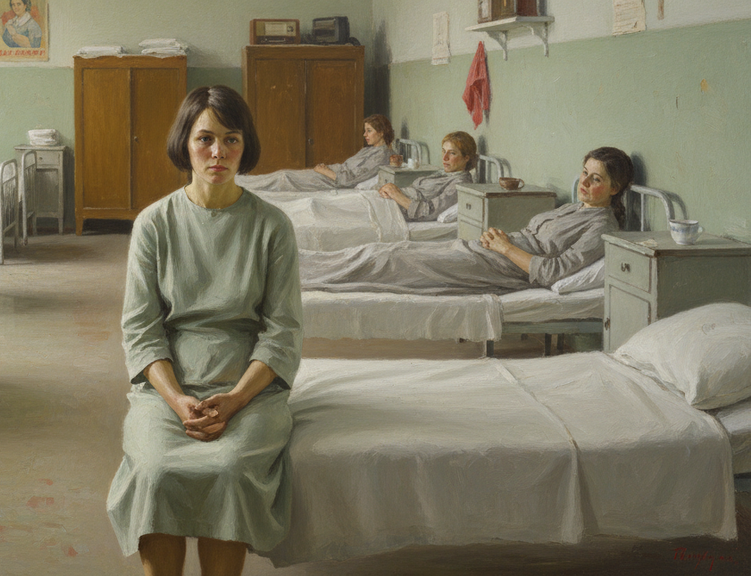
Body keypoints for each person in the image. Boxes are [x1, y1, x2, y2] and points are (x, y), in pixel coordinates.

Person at [107, 86, 302, 576]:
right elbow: (141, 330)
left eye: (231, 139)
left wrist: (234, 400)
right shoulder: (154, 224)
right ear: (185, 143)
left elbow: (282, 331)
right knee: (156, 471)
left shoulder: (272, 226)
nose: (218, 152)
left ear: (245, 145)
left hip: (250, 387)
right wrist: (177, 400)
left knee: (229, 469)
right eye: (205, 138)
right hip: (167, 386)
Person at [300, 147, 634, 295]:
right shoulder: (576, 209)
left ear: (615, 188)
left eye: (596, 179)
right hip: (487, 252)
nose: (584, 183)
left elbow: (552, 272)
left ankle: (307, 275)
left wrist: (505, 248)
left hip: (502, 269)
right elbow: (531, 236)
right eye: (584, 173)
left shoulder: (601, 227)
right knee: (388, 251)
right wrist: (499, 237)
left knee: (390, 258)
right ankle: (306, 265)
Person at [237, 114, 397, 192]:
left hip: (331, 181)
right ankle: (240, 183)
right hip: (330, 173)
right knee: (284, 175)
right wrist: (326, 169)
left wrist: (325, 171)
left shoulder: (381, 156)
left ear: (381, 132)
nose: (364, 135)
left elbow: (348, 181)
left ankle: (242, 186)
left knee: (284, 178)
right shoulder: (369, 150)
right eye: (365, 130)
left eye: (369, 131)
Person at [377, 130, 476, 222]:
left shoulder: (460, 183)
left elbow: (428, 211)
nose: (445, 157)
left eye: (452, 153)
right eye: (443, 151)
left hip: (397, 209)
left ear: (466, 158)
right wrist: (389, 190)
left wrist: (396, 195)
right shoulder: (444, 173)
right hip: (391, 200)